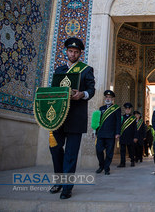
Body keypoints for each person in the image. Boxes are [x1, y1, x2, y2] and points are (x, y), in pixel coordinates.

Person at [49, 37, 95, 199]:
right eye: (70, 51)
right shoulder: (59, 70)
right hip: (58, 118)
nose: (73, 54)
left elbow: (92, 90)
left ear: (80, 54)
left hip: (76, 118)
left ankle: (67, 188)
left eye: (76, 52)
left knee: (71, 153)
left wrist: (82, 94)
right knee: (55, 149)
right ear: (66, 52)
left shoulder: (86, 70)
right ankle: (59, 180)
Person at [94, 90, 121, 175]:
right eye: (106, 97)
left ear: (112, 99)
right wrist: (95, 131)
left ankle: (106, 168)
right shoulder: (101, 108)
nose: (108, 98)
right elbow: (97, 121)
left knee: (109, 153)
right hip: (101, 134)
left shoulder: (116, 108)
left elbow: (118, 122)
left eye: (109, 97)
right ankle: (101, 165)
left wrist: (117, 133)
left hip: (111, 134)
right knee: (98, 150)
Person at [118, 102, 138, 167]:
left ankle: (132, 161)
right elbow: (119, 126)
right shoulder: (121, 117)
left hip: (130, 137)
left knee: (131, 150)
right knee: (122, 151)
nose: (127, 110)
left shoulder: (133, 118)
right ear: (124, 109)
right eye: (126, 109)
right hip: (123, 136)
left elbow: (135, 129)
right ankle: (122, 163)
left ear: (130, 110)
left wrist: (135, 137)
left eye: (129, 109)